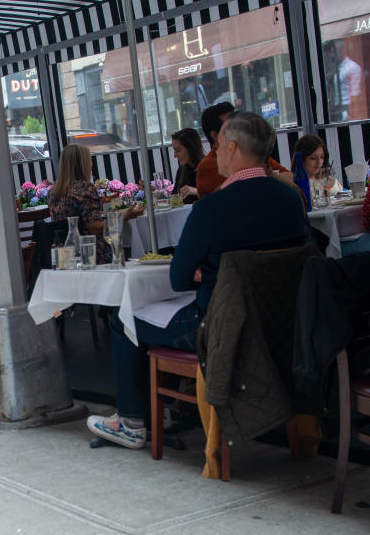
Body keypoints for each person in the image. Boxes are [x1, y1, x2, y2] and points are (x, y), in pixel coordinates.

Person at [87, 112, 311, 449]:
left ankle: (132, 421)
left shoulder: (212, 209)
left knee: (123, 319)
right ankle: (173, 406)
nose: (214, 153)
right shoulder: (291, 200)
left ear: (232, 148)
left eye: (218, 146)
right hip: (283, 322)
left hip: (218, 327)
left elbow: (178, 277)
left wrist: (204, 271)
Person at [47, 144, 142, 263]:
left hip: (65, 254)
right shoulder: (84, 188)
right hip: (90, 253)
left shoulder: (53, 193)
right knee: (127, 249)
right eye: (90, 160)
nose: (91, 165)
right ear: (82, 164)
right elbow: (94, 227)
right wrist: (124, 217)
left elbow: (78, 218)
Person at [195, 102, 291, 198]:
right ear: (215, 135)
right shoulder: (208, 166)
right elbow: (242, 195)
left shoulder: (250, 152)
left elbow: (289, 176)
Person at [292, 134, 342, 203]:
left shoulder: (327, 180)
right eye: (313, 158)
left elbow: (341, 197)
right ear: (301, 159)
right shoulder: (296, 184)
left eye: (322, 157)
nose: (319, 162)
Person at [170, 128, 204, 204]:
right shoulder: (182, 169)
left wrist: (195, 191)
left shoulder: (207, 168)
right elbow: (174, 195)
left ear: (191, 148)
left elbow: (217, 195)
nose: (175, 155)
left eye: (178, 150)